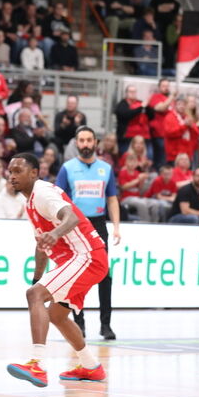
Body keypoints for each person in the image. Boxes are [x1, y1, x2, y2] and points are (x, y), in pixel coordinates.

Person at [6, 152, 107, 388]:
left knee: (35, 296)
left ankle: (36, 365)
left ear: (34, 173)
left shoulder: (43, 193)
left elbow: (70, 217)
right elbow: (41, 245)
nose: (12, 176)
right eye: (10, 171)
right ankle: (91, 366)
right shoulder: (30, 200)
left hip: (87, 256)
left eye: (18, 171)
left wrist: (55, 233)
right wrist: (37, 278)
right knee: (57, 315)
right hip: (83, 259)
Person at [55, 126, 120, 340]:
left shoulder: (106, 169)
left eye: (89, 140)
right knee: (76, 276)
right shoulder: (67, 168)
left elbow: (111, 198)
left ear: (95, 143)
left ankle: (106, 325)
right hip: (75, 225)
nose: (85, 144)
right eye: (81, 140)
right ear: (76, 143)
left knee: (105, 276)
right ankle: (79, 323)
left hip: (99, 224)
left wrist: (117, 227)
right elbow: (58, 199)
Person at [118, 152, 160, 222]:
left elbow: (140, 189)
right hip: (126, 198)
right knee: (141, 203)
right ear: (126, 162)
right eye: (130, 161)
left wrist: (142, 180)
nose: (132, 164)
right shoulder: (123, 172)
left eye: (134, 161)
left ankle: (155, 222)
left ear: (137, 163)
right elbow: (124, 187)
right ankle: (145, 223)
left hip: (138, 197)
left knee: (155, 203)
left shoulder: (137, 173)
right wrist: (138, 179)